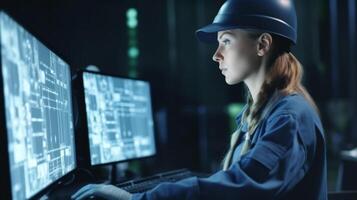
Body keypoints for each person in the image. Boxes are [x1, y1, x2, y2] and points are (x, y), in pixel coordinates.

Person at [72, 0, 328, 199]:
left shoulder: (289, 118)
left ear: (262, 45)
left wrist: (140, 198)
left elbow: (242, 186)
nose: (216, 55)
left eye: (226, 41)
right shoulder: (261, 113)